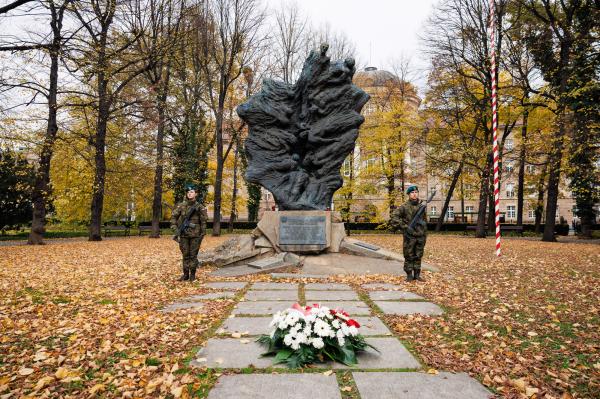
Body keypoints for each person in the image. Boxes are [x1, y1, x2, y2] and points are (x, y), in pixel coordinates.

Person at [389, 185, 428, 282]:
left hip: (420, 235)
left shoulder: (421, 207)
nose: (414, 194)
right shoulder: (404, 207)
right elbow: (394, 218)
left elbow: (424, 220)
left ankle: (417, 275)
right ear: (409, 194)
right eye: (412, 193)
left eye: (416, 192)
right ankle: (409, 275)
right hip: (409, 236)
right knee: (409, 255)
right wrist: (405, 227)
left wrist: (424, 232)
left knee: (419, 255)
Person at [170, 184, 208, 282]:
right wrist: (175, 228)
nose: (189, 194)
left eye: (191, 192)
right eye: (188, 192)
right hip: (183, 235)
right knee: (185, 254)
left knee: (193, 255)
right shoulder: (181, 206)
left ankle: (192, 275)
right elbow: (174, 217)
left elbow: (203, 221)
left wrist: (202, 234)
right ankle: (185, 274)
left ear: (196, 194)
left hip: (195, 235)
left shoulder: (199, 207)